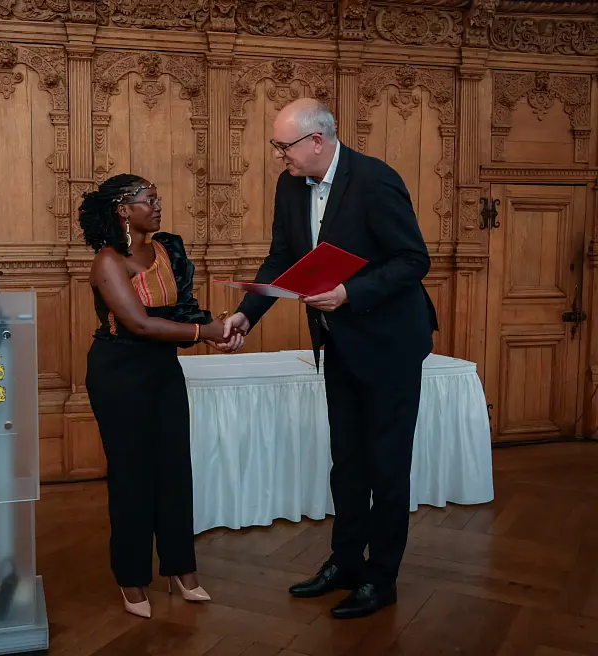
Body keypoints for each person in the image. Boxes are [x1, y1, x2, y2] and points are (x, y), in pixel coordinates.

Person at [220, 98, 438, 619]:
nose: (279, 157)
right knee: (347, 464)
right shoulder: (290, 185)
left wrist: (350, 293)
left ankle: (381, 579)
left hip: (389, 344)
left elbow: (414, 260)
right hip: (337, 343)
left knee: (386, 466)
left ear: (317, 141)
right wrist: (248, 315)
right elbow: (282, 257)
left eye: (284, 146)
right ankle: (345, 563)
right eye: (277, 146)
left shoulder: (375, 179)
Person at [79, 173, 227, 619]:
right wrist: (207, 332)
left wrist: (217, 329)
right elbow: (139, 324)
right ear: (124, 209)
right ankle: (132, 578)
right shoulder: (107, 261)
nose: (157, 206)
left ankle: (182, 569)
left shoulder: (167, 250)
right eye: (149, 200)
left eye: (157, 198)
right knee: (132, 474)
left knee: (175, 469)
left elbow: (179, 312)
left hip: (163, 367)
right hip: (118, 371)